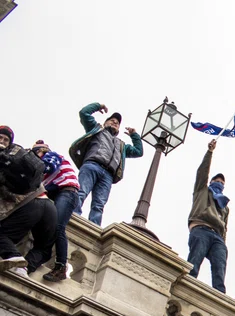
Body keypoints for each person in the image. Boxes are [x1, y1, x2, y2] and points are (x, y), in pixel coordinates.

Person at [69, 102, 143, 225]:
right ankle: (72, 217)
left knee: (99, 205)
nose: (115, 123)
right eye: (112, 120)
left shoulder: (121, 145)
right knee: (81, 192)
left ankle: (93, 226)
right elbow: (84, 113)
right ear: (105, 123)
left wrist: (134, 135)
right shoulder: (97, 130)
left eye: (117, 123)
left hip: (108, 175)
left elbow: (138, 151)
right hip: (92, 165)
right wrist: (98, 106)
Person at [0, 127, 57, 276]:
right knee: (44, 249)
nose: (2, 141)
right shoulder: (21, 155)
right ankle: (24, 270)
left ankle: (14, 258)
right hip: (50, 207)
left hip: (33, 205)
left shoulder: (9, 160)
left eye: (5, 139)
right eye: (1, 138)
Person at [31, 141, 79, 282]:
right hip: (59, 194)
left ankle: (61, 267)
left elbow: (50, 166)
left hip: (67, 192)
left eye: (36, 153)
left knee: (58, 227)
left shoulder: (51, 156)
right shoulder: (44, 177)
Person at [187, 139, 230, 293]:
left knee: (220, 268)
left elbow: (225, 227)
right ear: (211, 181)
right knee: (194, 263)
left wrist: (223, 242)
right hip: (201, 229)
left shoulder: (224, 205)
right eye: (216, 180)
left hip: (217, 236)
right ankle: (187, 287)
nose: (219, 183)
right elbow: (202, 172)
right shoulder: (202, 190)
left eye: (222, 182)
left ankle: (219, 296)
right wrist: (209, 153)